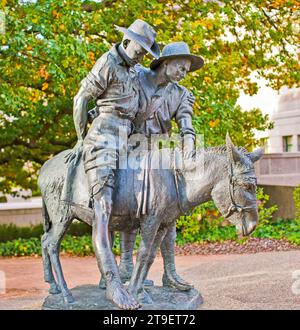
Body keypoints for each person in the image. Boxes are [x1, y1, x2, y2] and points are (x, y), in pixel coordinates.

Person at [65, 19, 160, 309]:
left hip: (130, 138)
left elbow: (160, 79)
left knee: (150, 197)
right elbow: (82, 98)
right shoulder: (107, 62)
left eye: (146, 52)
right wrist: (83, 138)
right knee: (103, 210)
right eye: (140, 49)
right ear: (128, 40)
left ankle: (131, 271)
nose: (142, 55)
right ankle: (113, 283)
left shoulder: (136, 70)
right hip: (104, 137)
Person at [118, 42, 204, 291]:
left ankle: (170, 272)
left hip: (158, 156)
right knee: (126, 207)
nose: (183, 73)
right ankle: (125, 265)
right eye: (180, 67)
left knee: (169, 213)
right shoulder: (136, 77)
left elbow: (186, 125)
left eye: (187, 70)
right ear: (166, 63)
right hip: (127, 150)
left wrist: (188, 146)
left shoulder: (180, 94)